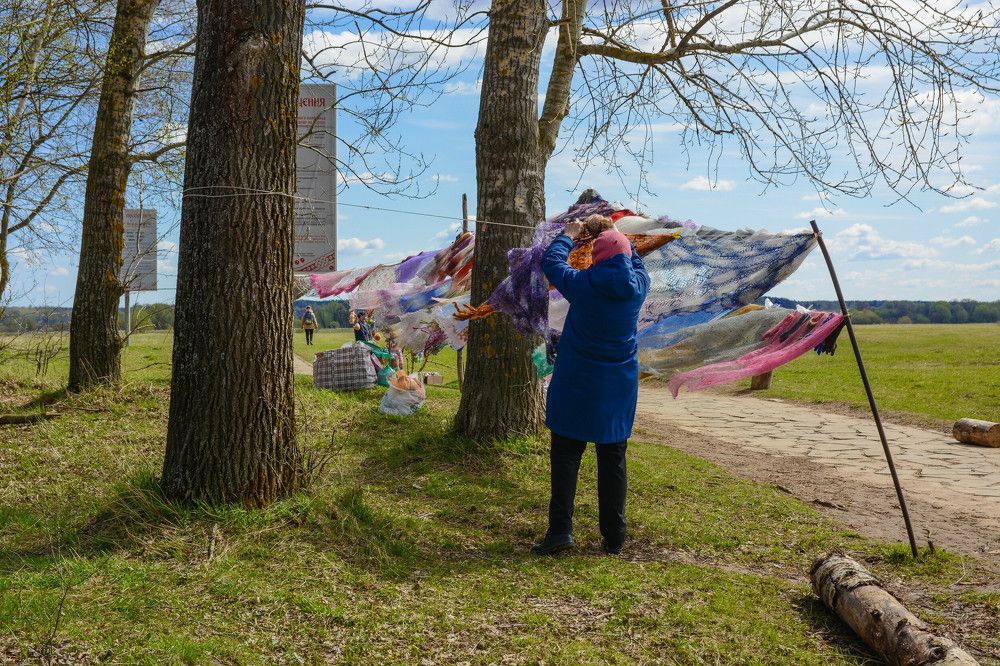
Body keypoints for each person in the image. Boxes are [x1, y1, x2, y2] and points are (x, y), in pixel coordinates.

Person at [532, 218, 649, 556]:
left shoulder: (582, 284)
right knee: (612, 459)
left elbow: (551, 262)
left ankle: (560, 532)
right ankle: (614, 538)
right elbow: (633, 259)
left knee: (566, 456)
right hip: (617, 386)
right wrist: (617, 235)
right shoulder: (639, 285)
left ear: (595, 257)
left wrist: (568, 236)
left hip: (576, 382)